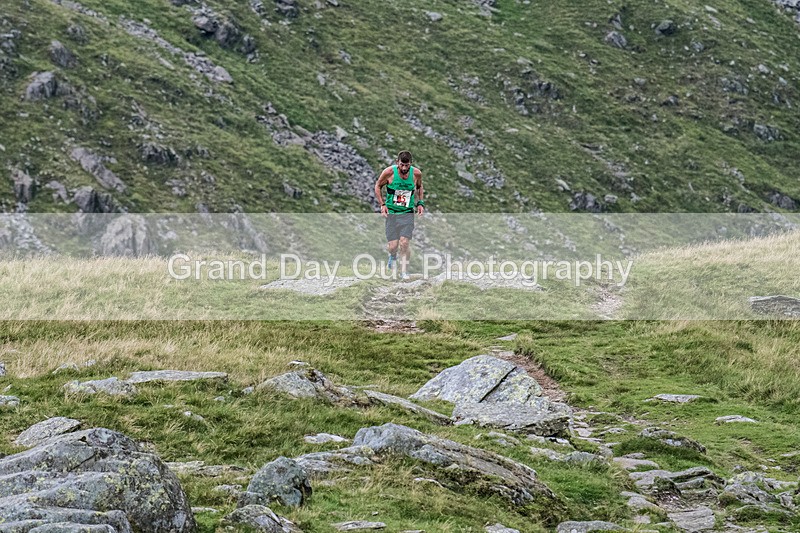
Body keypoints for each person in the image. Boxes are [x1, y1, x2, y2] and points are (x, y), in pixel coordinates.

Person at [374, 151, 424, 280]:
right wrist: (382, 204)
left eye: (407, 166)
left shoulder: (416, 173)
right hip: (391, 213)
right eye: (402, 165)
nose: (404, 168)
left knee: (404, 243)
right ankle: (392, 255)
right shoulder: (389, 172)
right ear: (397, 162)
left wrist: (420, 203)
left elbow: (419, 186)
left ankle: (404, 272)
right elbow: (378, 186)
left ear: (410, 164)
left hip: (407, 213)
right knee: (393, 246)